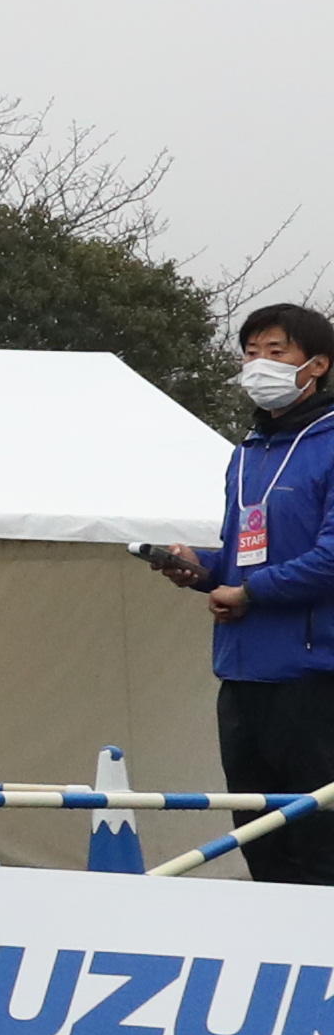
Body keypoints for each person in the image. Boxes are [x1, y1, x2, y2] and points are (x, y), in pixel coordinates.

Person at [158, 304, 334, 890]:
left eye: (276, 351)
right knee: (257, 832)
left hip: (313, 673)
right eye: (250, 353)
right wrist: (200, 570)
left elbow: (331, 557)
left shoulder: (329, 444)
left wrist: (249, 592)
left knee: (318, 835)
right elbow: (243, 555)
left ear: (316, 365)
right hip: (241, 670)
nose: (258, 364)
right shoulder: (247, 452)